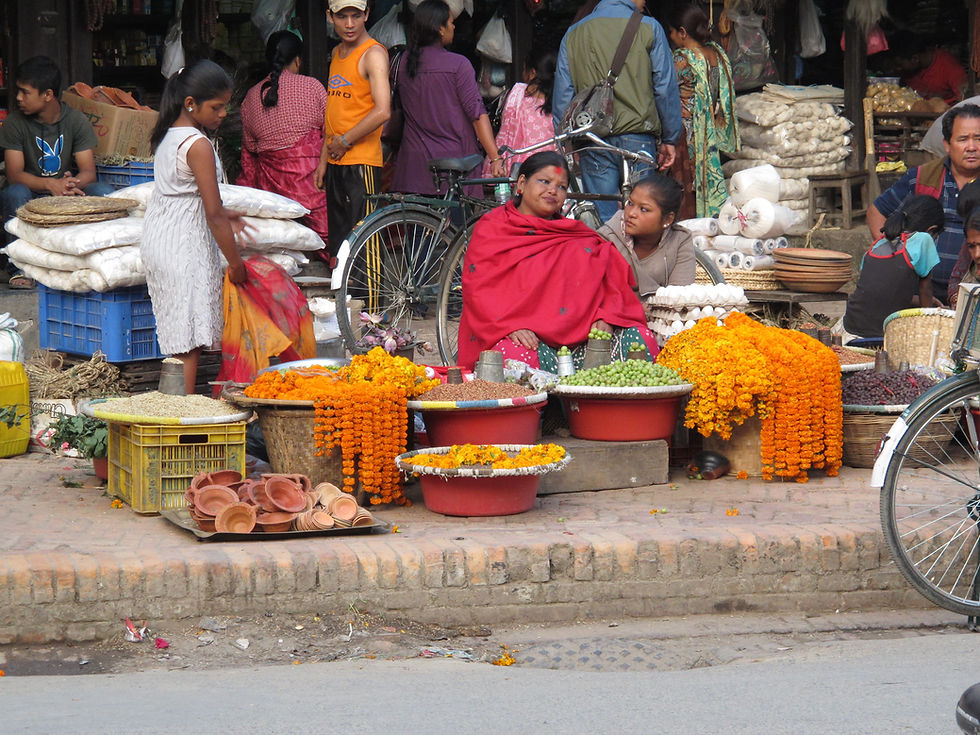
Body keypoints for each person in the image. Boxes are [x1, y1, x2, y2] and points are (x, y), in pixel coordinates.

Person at [457, 151, 657, 370]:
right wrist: (506, 326)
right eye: (544, 181)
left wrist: (608, 316)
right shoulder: (493, 229)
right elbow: (479, 291)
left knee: (640, 340)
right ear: (521, 183)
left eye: (561, 187)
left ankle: (608, 404)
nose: (553, 190)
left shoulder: (578, 236)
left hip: (586, 343)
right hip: (528, 342)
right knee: (511, 359)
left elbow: (613, 285)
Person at [142, 61, 250, 395]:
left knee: (179, 338)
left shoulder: (167, 136)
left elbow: (187, 195)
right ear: (191, 104)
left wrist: (225, 214)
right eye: (216, 107)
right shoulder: (198, 145)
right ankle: (184, 421)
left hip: (162, 237)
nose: (223, 114)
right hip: (182, 246)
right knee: (188, 343)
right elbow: (212, 213)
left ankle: (176, 413)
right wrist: (236, 264)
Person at [553, 0, 682, 223]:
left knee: (603, 218)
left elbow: (563, 96)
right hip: (638, 137)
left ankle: (607, 256)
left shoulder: (573, 34)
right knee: (642, 216)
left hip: (592, 139)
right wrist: (670, 138)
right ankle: (636, 259)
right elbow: (665, 88)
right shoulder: (649, 28)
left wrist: (569, 141)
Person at [0, 55, 116, 288]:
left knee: (104, 190)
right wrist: (49, 184)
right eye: (18, 91)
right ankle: (19, 268)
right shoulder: (14, 123)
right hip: (31, 194)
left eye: (25, 92)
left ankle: (96, 262)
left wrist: (71, 183)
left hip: (63, 193)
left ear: (48, 95)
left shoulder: (75, 120)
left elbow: (88, 172)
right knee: (14, 193)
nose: (18, 98)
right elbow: (14, 174)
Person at [389, 0, 504, 196]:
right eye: (450, 22)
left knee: (417, 226)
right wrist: (495, 157)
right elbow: (477, 115)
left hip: (413, 168)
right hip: (453, 168)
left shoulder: (401, 63)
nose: (454, 26)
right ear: (440, 29)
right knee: (457, 226)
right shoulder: (458, 65)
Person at [867, 103, 980, 303]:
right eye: (963, 139)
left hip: (974, 293)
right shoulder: (921, 177)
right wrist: (897, 260)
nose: (972, 147)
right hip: (922, 290)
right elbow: (877, 212)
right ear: (947, 144)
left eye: (978, 138)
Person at [314, 0, 391, 262]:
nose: (349, 24)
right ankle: (346, 303)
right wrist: (324, 159)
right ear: (330, 17)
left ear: (367, 14)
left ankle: (370, 304)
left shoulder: (373, 54)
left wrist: (345, 141)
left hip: (361, 161)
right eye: (342, 16)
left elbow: (383, 111)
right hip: (337, 159)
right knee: (340, 243)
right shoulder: (336, 53)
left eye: (356, 15)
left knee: (364, 242)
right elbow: (335, 112)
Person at [238, 30, 329, 250]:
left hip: (272, 195)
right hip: (313, 187)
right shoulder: (313, 87)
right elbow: (332, 131)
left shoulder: (250, 97)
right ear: (298, 60)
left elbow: (250, 147)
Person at [664, 2, 738, 220]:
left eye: (671, 32)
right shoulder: (717, 54)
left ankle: (686, 237)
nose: (670, 37)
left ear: (683, 32)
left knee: (683, 193)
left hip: (685, 137)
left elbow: (661, 91)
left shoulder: (682, 60)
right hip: (709, 136)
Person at [841, 195, 944, 341]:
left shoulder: (878, 244)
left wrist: (929, 300)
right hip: (880, 334)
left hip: (850, 326)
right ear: (932, 230)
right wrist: (929, 329)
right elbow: (925, 291)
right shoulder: (924, 239)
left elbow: (881, 291)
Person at [597, 173, 695, 296]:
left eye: (644, 209)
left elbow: (680, 297)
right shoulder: (606, 239)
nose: (631, 213)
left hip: (666, 313)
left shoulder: (680, 241)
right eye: (630, 203)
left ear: (667, 220)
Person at [480, 47, 558, 178]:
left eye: (524, 69)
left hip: (506, 168)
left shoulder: (516, 93)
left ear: (532, 73)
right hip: (546, 169)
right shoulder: (558, 102)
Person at [892, 33, 966, 106]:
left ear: (915, 59)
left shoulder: (950, 67)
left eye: (900, 65)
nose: (898, 68)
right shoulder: (907, 72)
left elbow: (964, 99)